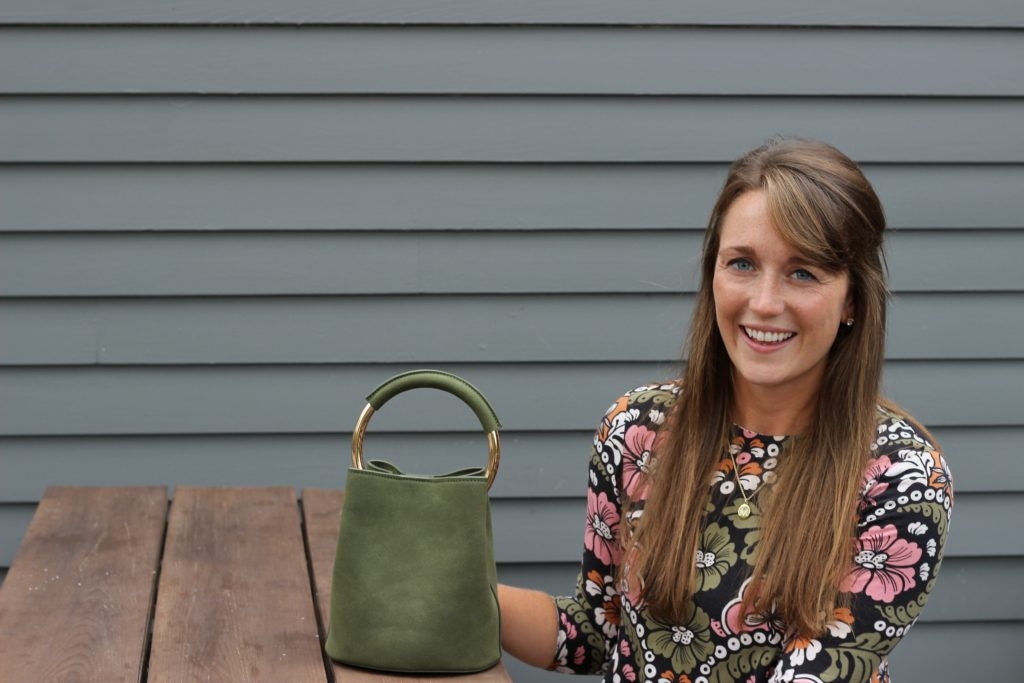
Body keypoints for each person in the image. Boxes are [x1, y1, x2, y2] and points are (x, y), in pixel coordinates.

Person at [497, 137, 953, 683]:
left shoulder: (902, 476)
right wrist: (457, 590)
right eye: (742, 263)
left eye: (803, 272)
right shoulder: (637, 432)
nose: (763, 302)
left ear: (853, 298)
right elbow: (598, 633)